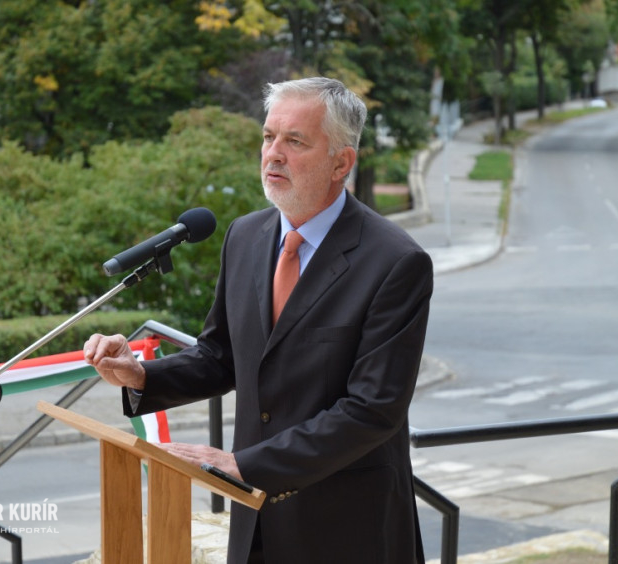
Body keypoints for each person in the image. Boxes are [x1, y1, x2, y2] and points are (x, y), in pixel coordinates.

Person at [84, 76, 433, 564]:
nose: (273, 154)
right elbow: (221, 355)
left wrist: (245, 465)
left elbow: (372, 410)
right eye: (269, 137)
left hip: (348, 527)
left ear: (341, 163)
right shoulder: (245, 236)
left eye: (295, 141)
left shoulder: (396, 261)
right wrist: (142, 375)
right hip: (254, 526)